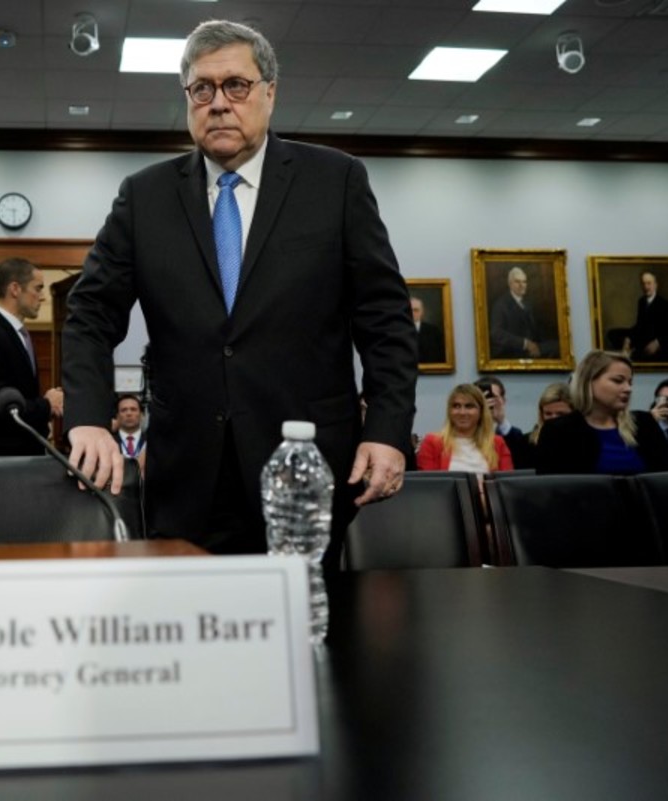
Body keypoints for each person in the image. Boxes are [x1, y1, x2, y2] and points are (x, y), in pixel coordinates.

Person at [61, 20, 417, 568]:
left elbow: (386, 319)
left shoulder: (335, 181)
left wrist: (387, 431)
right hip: (187, 478)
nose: (219, 103)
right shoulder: (145, 196)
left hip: (305, 470)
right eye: (202, 89)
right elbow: (90, 313)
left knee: (310, 619)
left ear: (270, 93)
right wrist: (87, 417)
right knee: (190, 618)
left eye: (236, 86)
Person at [0, 258, 64, 456]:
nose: (43, 297)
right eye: (38, 288)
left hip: (20, 457)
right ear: (15, 289)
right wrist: (47, 405)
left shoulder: (17, 334)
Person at [536, 350, 668, 475]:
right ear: (589, 381)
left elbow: (667, 479)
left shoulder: (644, 423)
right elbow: (551, 488)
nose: (628, 389)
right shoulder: (558, 431)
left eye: (630, 382)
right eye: (618, 381)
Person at [417, 384, 513, 474]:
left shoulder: (497, 443)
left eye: (469, 406)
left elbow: (507, 482)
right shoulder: (432, 442)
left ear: (481, 411)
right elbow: (429, 483)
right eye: (456, 406)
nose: (462, 412)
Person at [611, 271, 668, 363]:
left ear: (655, 285)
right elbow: (639, 325)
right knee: (613, 333)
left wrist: (658, 342)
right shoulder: (641, 301)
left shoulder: (665, 304)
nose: (646, 287)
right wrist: (628, 338)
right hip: (643, 335)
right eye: (643, 284)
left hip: (657, 339)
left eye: (649, 283)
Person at [489, 267, 558, 359]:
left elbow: (537, 330)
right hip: (511, 352)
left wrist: (538, 346)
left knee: (557, 346)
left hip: (532, 349)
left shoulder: (528, 303)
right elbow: (496, 334)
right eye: (517, 282)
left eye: (524, 282)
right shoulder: (501, 305)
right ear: (510, 284)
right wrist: (525, 344)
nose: (522, 285)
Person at [475, 376, 533, 468]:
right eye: (483, 398)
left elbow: (518, 461)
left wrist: (501, 421)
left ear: (503, 400)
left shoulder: (514, 435)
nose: (488, 402)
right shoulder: (466, 431)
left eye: (493, 397)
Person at [527, 382, 573, 447]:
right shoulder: (527, 443)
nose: (554, 418)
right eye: (548, 414)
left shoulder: (584, 442)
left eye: (560, 414)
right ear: (541, 414)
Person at [113, 394, 148, 474]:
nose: (129, 413)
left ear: (142, 415)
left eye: (133, 409)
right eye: (124, 410)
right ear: (117, 416)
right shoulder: (109, 441)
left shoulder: (152, 441)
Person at [411, 296, 445, 363]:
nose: (412, 313)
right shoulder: (398, 331)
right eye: (410, 310)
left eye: (416, 310)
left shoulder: (434, 331)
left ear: (422, 312)